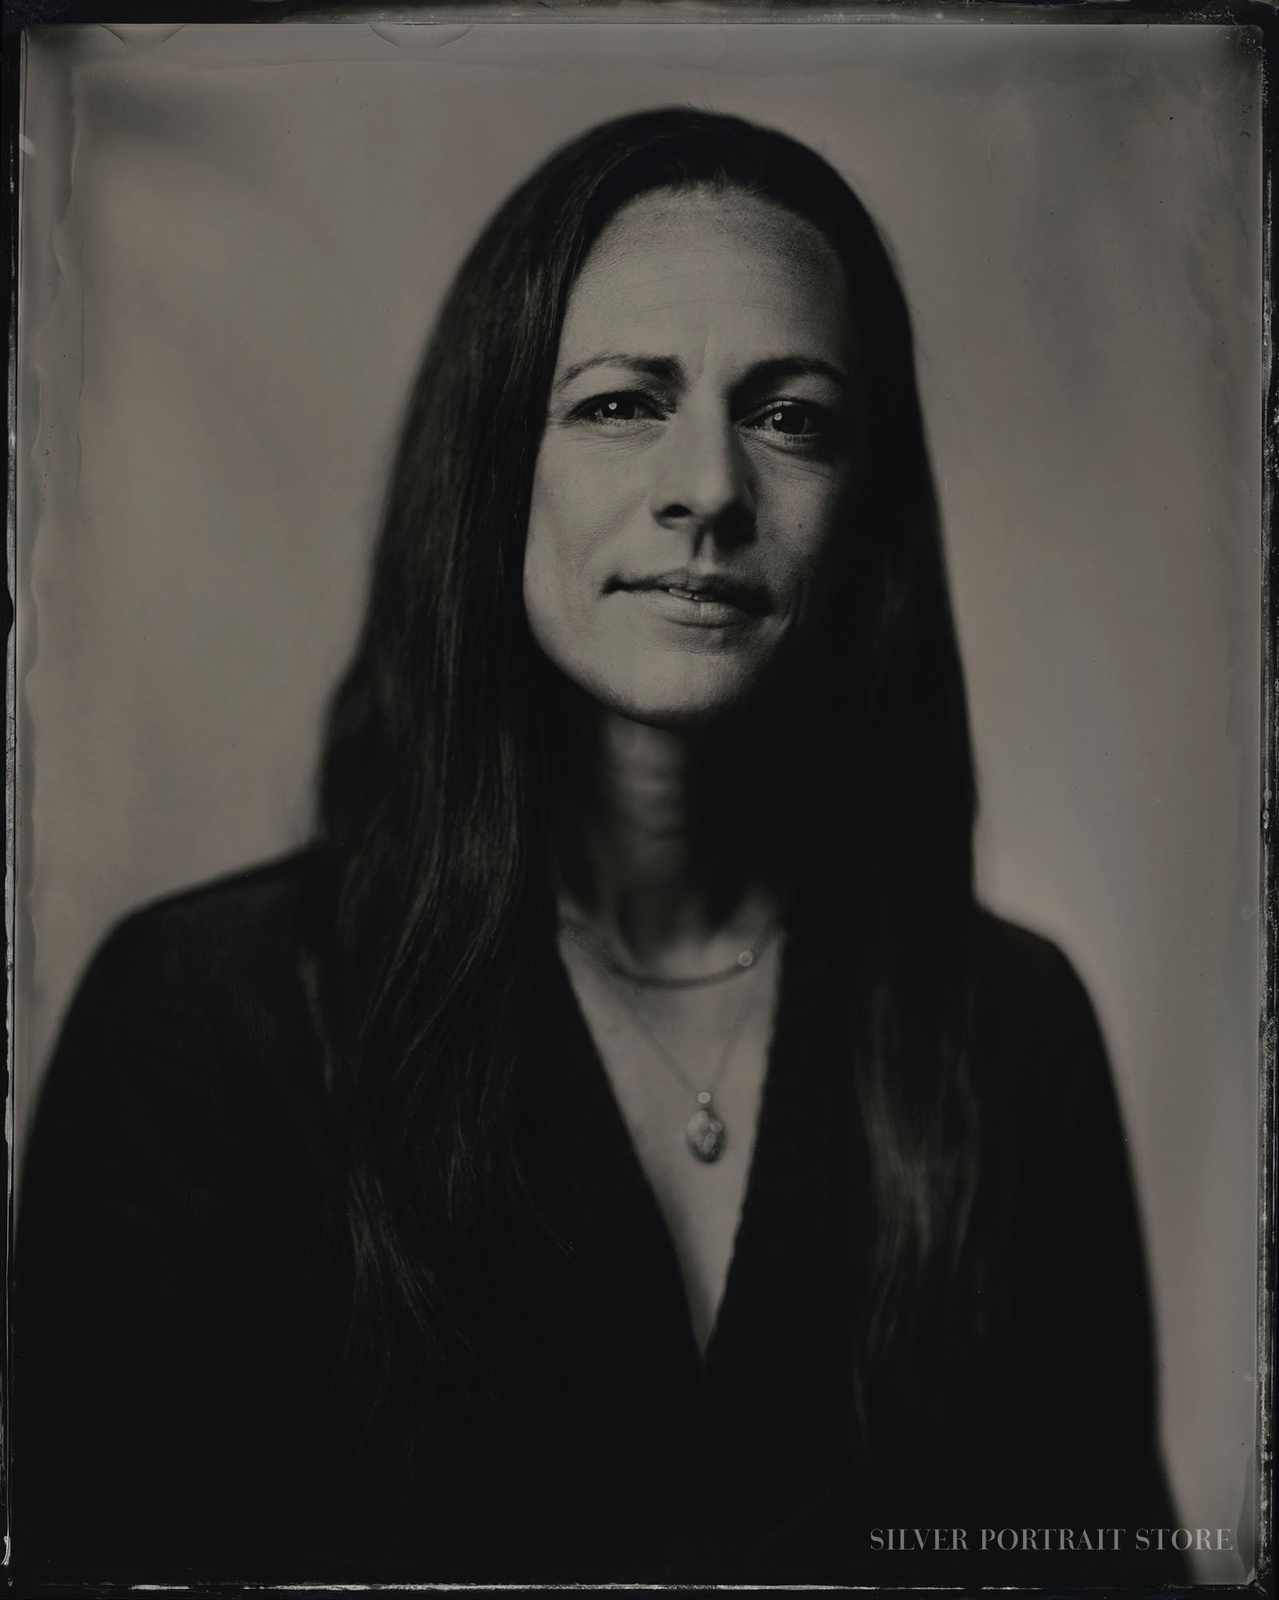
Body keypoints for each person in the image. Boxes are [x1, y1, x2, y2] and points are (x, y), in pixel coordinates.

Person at [14, 108, 1183, 1585]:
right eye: (624, 402)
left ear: (870, 521)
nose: (710, 487)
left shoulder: (1010, 1035)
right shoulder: (209, 1024)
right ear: (496, 462)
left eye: (793, 416)